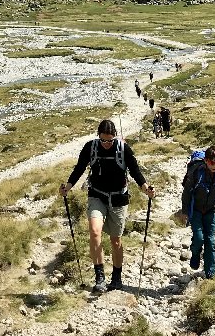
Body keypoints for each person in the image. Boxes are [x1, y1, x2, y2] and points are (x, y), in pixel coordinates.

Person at [61, 120, 155, 293]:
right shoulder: (91, 147)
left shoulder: (123, 149)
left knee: (115, 240)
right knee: (95, 232)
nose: (106, 144)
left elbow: (135, 171)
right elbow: (80, 168)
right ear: (98, 136)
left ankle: (117, 277)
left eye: (109, 140)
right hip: (97, 195)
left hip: (119, 198)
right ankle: (100, 278)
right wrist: (67, 187)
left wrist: (145, 188)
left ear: (115, 137)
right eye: (103, 140)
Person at [175, 146, 215, 279]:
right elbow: (186, 193)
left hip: (211, 211)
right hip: (196, 210)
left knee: (210, 241)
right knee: (199, 238)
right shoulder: (195, 172)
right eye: (213, 163)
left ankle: (210, 272)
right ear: (206, 161)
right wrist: (184, 212)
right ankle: (195, 254)